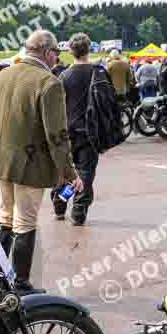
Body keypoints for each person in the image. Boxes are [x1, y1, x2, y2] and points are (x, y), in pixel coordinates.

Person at [0, 30, 83, 294]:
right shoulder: (48, 83)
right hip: (31, 166)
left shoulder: (0, 76)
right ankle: (21, 284)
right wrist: (70, 173)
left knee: (5, 218)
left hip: (1, 161)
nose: (56, 59)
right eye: (56, 54)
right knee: (25, 222)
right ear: (48, 52)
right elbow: (57, 137)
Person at [51, 33, 100, 226]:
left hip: (67, 131)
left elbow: (56, 106)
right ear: (89, 49)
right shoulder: (98, 72)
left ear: (71, 51)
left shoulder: (64, 76)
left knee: (67, 171)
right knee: (85, 172)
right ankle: (79, 211)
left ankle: (60, 202)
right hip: (90, 131)